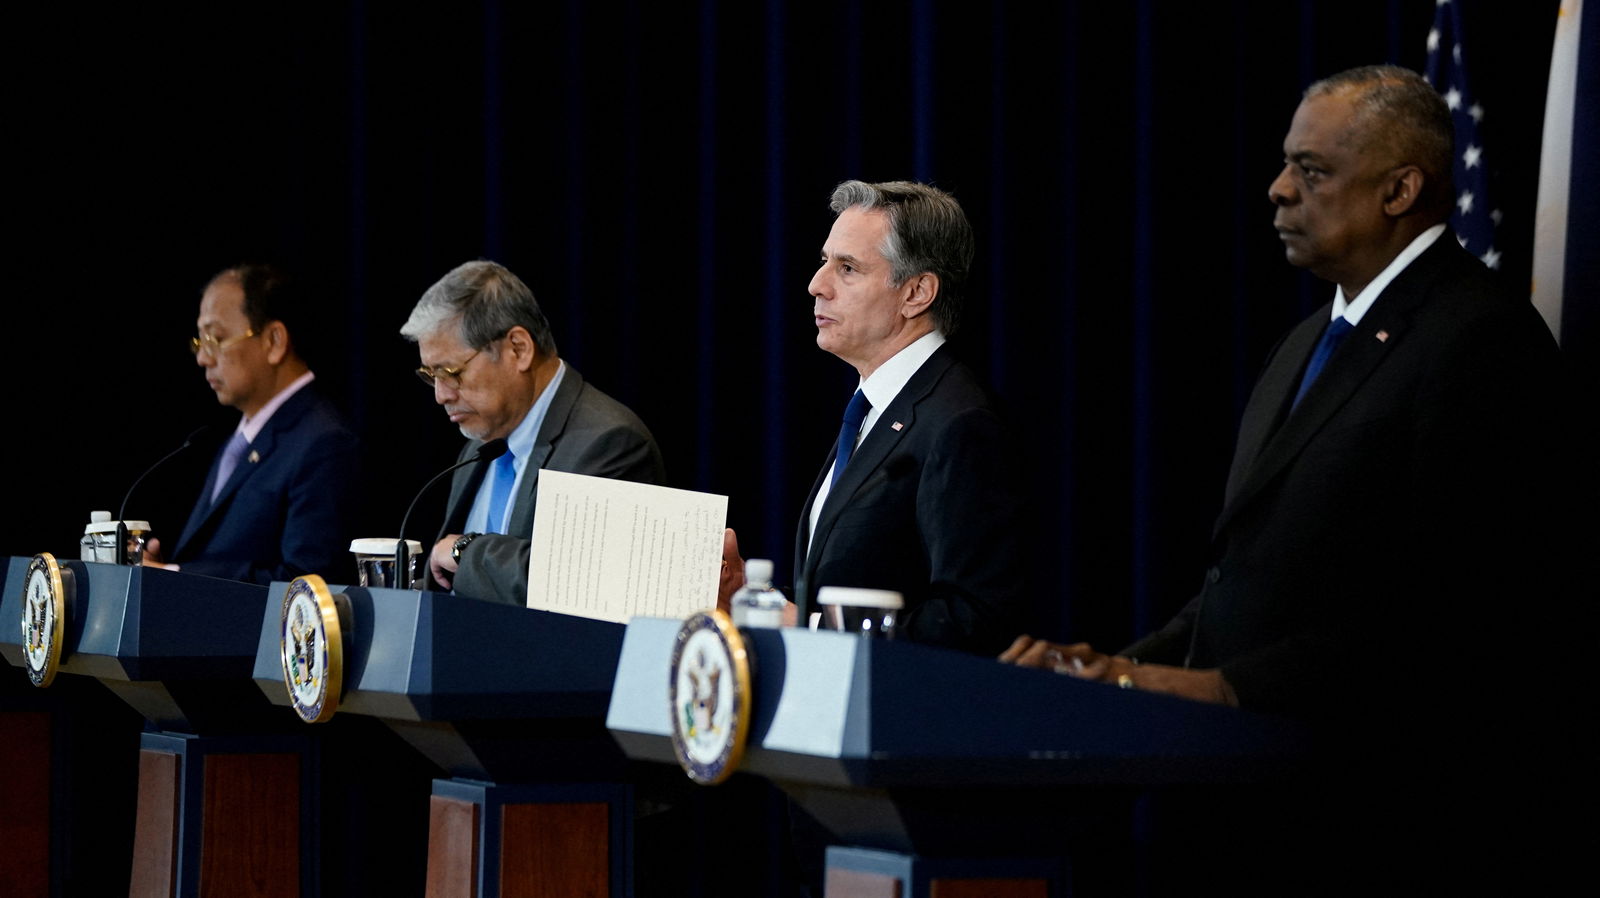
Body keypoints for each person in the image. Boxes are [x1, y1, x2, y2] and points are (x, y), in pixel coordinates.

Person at [1002, 66, 1579, 889]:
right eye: (1285, 164)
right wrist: (1107, 674)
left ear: (1400, 189)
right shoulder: (1304, 344)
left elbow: (1456, 611)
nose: (1278, 189)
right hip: (1245, 809)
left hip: (1377, 822)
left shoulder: (1482, 339)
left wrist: (1215, 688)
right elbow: (1243, 584)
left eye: (1312, 171)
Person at [731, 181, 1024, 655]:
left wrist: (808, 628)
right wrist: (757, 599)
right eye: (824, 261)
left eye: (847, 268)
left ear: (916, 293)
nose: (817, 285)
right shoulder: (878, 407)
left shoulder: (960, 423)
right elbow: (857, 583)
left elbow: (974, 619)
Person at [403, 259, 668, 605]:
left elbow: (580, 583)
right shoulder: (479, 448)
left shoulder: (610, 443)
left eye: (451, 372)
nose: (441, 395)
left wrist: (466, 550)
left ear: (519, 349)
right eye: (431, 376)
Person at [143, 264, 362, 584]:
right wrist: (164, 574)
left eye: (216, 338)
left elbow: (307, 584)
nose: (203, 358)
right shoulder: (241, 439)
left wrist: (175, 576)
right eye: (200, 341)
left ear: (274, 341)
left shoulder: (325, 442)